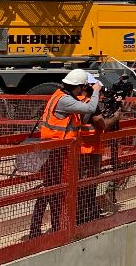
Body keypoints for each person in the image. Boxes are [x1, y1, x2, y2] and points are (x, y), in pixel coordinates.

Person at [29, 68, 100, 238]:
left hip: (58, 150)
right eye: (83, 87)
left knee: (53, 189)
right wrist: (96, 91)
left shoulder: (62, 96)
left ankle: (54, 226)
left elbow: (81, 117)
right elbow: (90, 108)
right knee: (52, 190)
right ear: (78, 87)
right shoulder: (65, 100)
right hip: (56, 151)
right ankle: (46, 229)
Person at [77, 89, 121, 225]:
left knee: (86, 182)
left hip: (83, 147)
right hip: (88, 149)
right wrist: (116, 116)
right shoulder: (88, 103)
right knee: (87, 183)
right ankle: (83, 214)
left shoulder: (72, 101)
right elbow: (103, 124)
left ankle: (87, 210)